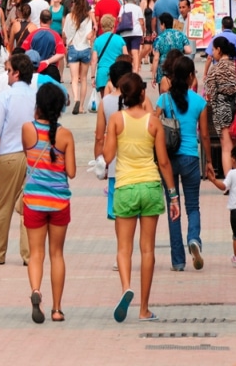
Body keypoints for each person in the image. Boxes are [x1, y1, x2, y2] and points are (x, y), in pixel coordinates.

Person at [103, 73, 180, 322]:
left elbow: (107, 156)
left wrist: (108, 135)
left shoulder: (116, 120)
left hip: (125, 187)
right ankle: (144, 308)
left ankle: (126, 287)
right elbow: (164, 162)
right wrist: (173, 196)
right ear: (143, 94)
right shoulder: (153, 122)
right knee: (147, 250)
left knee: (123, 249)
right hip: (150, 186)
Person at [23, 84, 76, 324]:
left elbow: (27, 155)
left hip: (33, 201)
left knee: (36, 254)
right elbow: (72, 172)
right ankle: (56, 309)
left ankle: (36, 291)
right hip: (59, 202)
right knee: (57, 254)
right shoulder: (66, 135)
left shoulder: (28, 130)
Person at [155, 57, 213, 272]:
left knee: (173, 206)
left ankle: (178, 261)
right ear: (191, 77)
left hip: (168, 160)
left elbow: (153, 126)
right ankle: (194, 239)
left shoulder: (163, 100)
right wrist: (209, 162)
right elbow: (205, 135)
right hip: (191, 158)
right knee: (193, 206)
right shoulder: (199, 102)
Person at [0, 54, 36, 266]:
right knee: (29, 205)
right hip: (34, 155)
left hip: (9, 155)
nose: (7, 75)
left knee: (3, 206)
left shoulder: (4, 98)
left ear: (16, 73)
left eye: (8, 71)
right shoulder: (36, 97)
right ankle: (29, 253)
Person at [204, 37, 236, 176]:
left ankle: (229, 182)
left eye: (213, 49)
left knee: (226, 148)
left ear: (219, 50)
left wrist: (215, 108)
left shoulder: (214, 69)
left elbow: (211, 93)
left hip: (222, 109)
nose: (212, 53)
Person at [95, 61, 134, 222]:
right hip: (137, 166)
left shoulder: (105, 102)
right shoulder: (139, 99)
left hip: (114, 166)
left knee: (118, 216)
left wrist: (100, 163)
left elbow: (98, 137)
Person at [63, 0, 95, 115]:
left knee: (74, 79)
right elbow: (88, 36)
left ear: (73, 4)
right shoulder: (87, 18)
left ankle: (76, 99)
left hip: (73, 48)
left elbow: (65, 33)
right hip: (85, 48)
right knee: (84, 79)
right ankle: (81, 106)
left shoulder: (69, 16)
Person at [151, 13, 191, 88]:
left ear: (163, 24)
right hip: (178, 68)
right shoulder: (180, 35)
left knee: (164, 96)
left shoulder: (159, 38)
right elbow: (188, 50)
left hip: (163, 71)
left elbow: (156, 58)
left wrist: (153, 76)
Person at [92, 15, 128, 97]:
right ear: (113, 25)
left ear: (102, 26)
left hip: (102, 72)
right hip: (117, 73)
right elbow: (126, 57)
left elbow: (94, 61)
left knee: (104, 100)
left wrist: (92, 77)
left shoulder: (97, 40)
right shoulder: (120, 39)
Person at [203, 17, 236, 81]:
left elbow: (209, 58)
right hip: (235, 73)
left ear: (222, 26)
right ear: (232, 26)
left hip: (218, 73)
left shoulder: (215, 39)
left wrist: (205, 74)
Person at [118, 0, 145, 76]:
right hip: (136, 32)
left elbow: (119, 19)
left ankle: (129, 69)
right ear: (135, 0)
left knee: (128, 52)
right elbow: (141, 22)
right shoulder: (138, 8)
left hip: (125, 32)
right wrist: (143, 33)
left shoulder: (123, 7)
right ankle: (136, 71)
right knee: (135, 52)